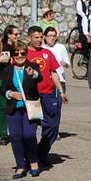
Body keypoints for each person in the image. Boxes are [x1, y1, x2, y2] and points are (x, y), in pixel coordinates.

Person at [24, 26, 65, 167]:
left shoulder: (47, 53)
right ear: (29, 38)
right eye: (36, 37)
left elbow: (53, 73)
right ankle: (30, 156)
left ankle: (41, 152)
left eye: (41, 37)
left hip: (47, 94)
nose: (40, 40)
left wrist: (61, 91)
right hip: (31, 96)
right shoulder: (23, 53)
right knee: (31, 128)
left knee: (53, 125)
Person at [3, 44, 43, 179]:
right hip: (14, 108)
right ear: (13, 55)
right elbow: (2, 89)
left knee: (29, 135)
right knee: (15, 137)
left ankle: (33, 162)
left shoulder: (32, 67)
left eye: (22, 53)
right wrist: (10, 94)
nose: (20, 56)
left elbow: (40, 77)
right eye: (17, 53)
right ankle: (20, 165)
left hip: (30, 108)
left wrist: (34, 74)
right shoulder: (8, 70)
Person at [0, 26, 20, 146]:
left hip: (14, 80)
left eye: (18, 34)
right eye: (15, 34)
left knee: (14, 107)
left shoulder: (17, 47)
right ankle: (3, 135)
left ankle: (15, 132)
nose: (17, 37)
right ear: (9, 35)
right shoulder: (0, 46)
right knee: (2, 107)